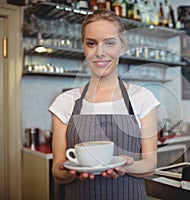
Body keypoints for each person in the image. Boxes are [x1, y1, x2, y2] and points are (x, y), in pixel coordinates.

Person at [49, 9, 160, 200]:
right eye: (91, 43)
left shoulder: (143, 98)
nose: (100, 52)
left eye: (109, 43)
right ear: (83, 47)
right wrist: (71, 171)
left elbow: (150, 165)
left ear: (122, 46)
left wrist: (125, 166)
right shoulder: (64, 102)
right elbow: (58, 172)